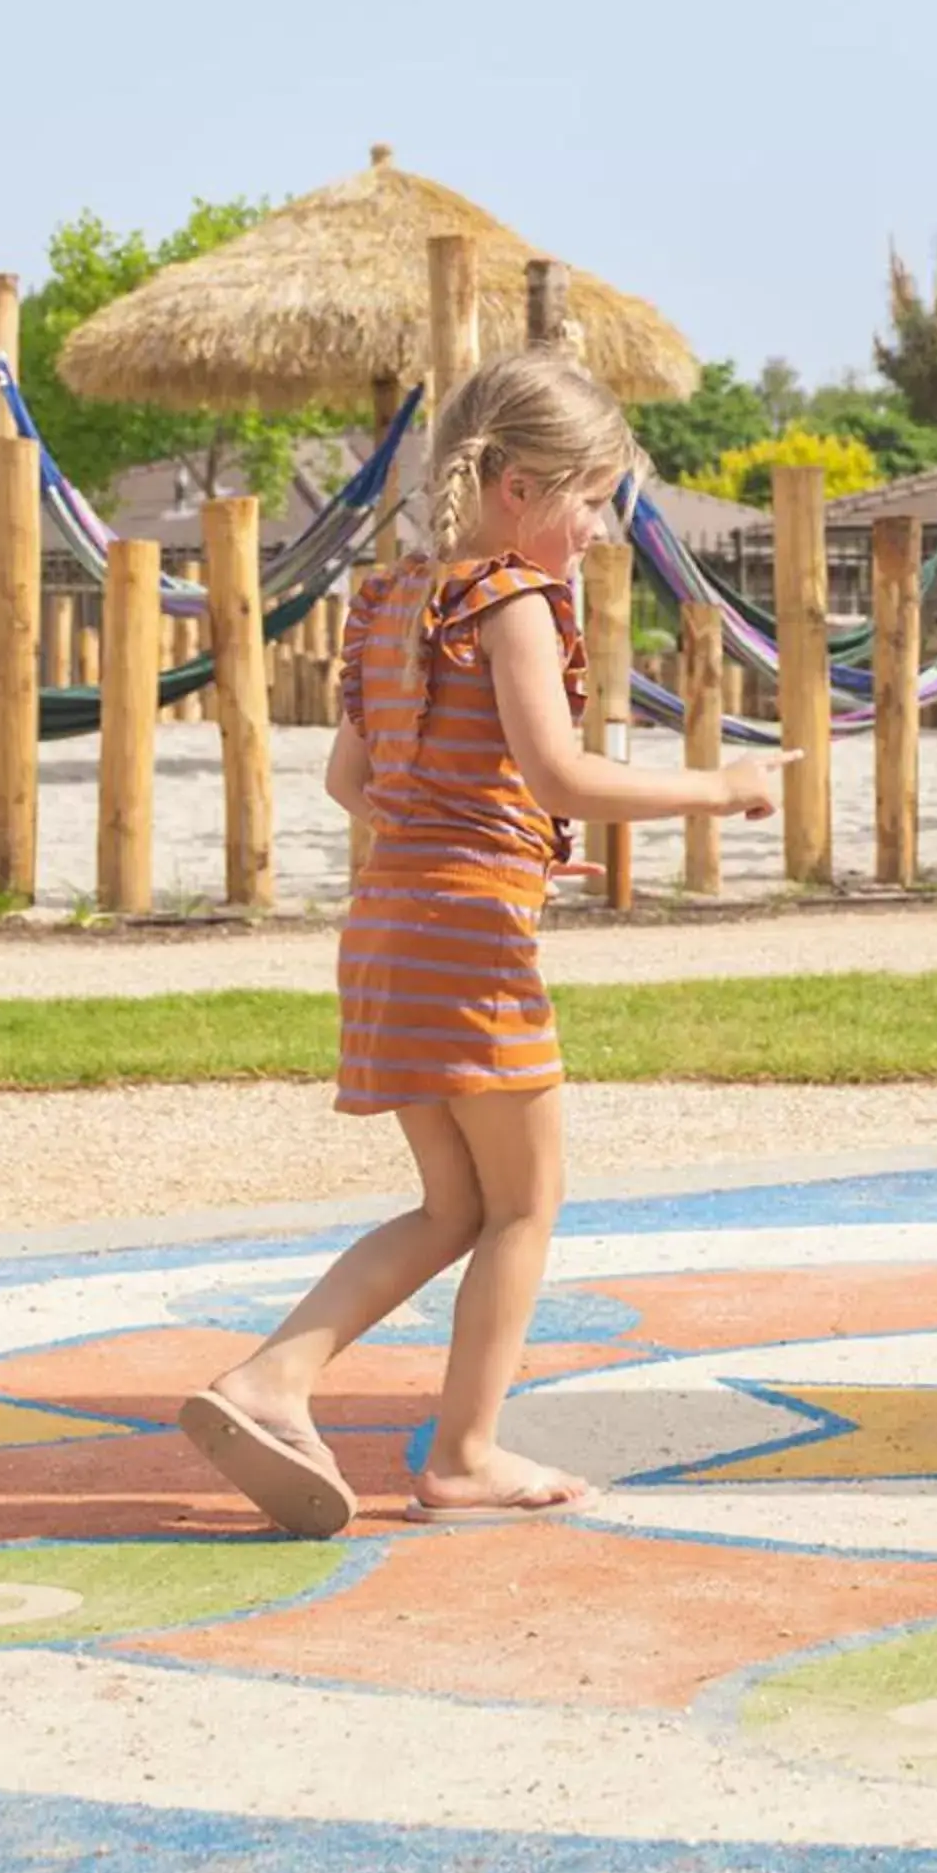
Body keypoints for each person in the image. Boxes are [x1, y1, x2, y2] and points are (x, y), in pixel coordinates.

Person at [179, 348, 784, 1535]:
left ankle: (274, 1379)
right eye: (593, 497)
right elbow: (561, 769)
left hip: (388, 927)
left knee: (452, 1206)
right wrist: (723, 790)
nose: (601, 528)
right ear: (518, 485)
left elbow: (353, 781)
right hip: (465, 937)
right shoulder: (513, 598)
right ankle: (458, 1452)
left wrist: (466, 825)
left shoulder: (392, 597)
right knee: (526, 1202)